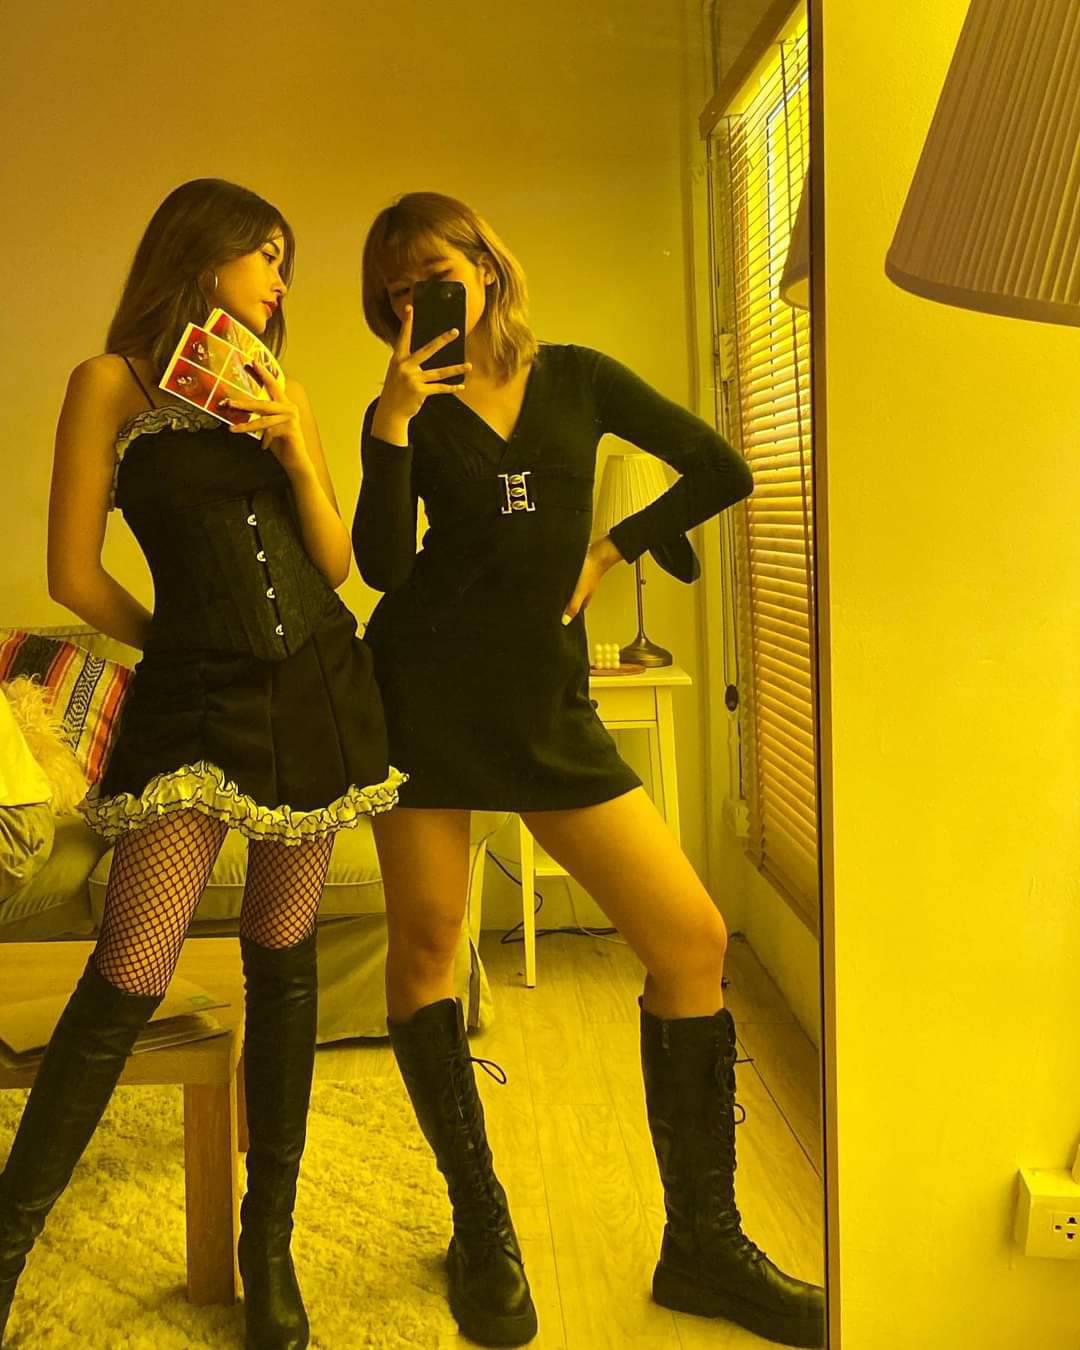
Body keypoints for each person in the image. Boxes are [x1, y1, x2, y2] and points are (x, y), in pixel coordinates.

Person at [352, 192, 825, 1350]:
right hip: (423, 696)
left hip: (547, 702)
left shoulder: (578, 378)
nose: (421, 297)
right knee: (427, 949)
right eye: (399, 288)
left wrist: (612, 548)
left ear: (487, 266)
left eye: (438, 271)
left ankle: (703, 1243)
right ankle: (481, 1225)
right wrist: (394, 423)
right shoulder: (405, 407)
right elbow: (383, 568)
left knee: (691, 941)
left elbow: (720, 467)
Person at [0, 178, 403, 1350]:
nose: (280, 279)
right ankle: (8, 1242)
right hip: (197, 695)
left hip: (316, 682)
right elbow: (74, 574)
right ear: (202, 250)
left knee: (284, 957)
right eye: (264, 253)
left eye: (285, 259)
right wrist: (176, 649)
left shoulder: (278, 390)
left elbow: (334, 563)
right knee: (132, 966)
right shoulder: (110, 386)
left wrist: (300, 448)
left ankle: (267, 1248)